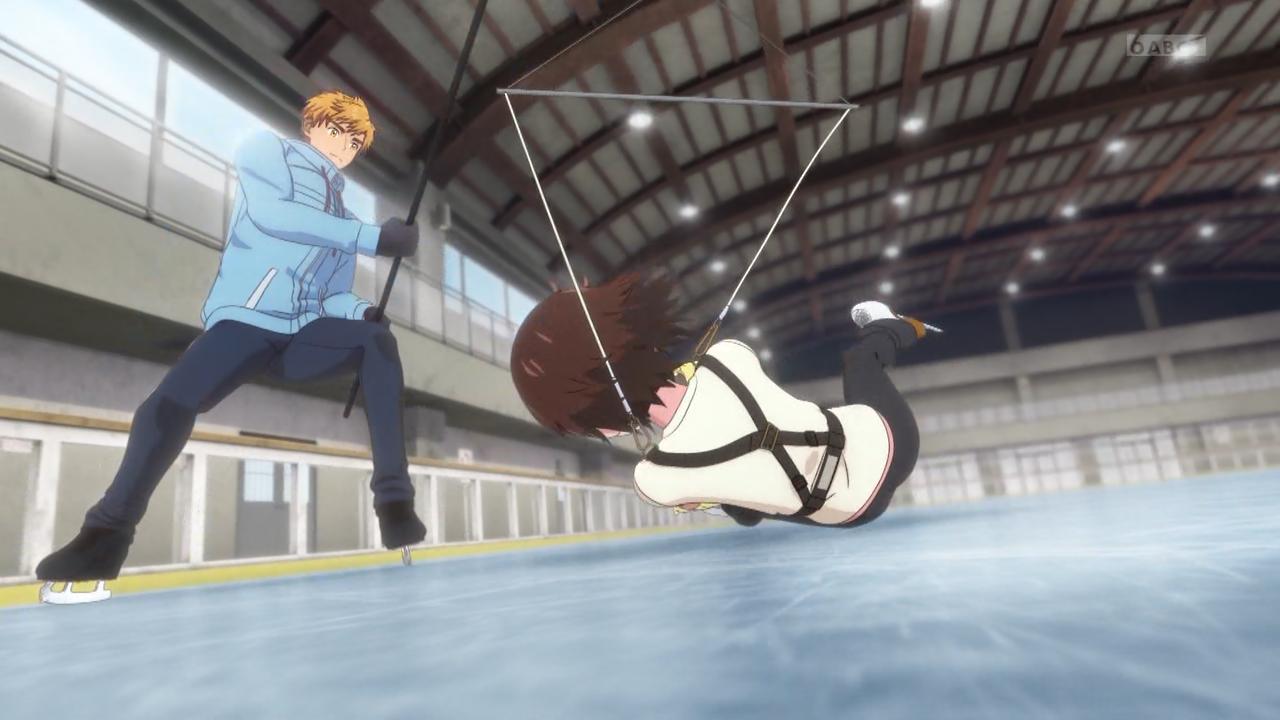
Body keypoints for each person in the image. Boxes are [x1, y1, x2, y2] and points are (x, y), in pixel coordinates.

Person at [37, 91, 427, 591]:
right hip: (248, 320)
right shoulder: (267, 153)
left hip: (303, 335)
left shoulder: (346, 219)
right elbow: (274, 216)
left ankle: (394, 502)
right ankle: (105, 536)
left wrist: (361, 311)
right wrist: (373, 239)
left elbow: (331, 294)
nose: (342, 146)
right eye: (336, 131)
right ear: (312, 126)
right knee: (167, 404)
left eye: (353, 142)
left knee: (375, 342)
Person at [509, 274, 932, 527]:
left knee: (743, 500)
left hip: (852, 511)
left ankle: (897, 327)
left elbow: (744, 509)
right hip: (893, 441)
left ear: (598, 422)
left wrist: (710, 497)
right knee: (860, 366)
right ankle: (894, 328)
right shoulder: (727, 354)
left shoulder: (654, 478)